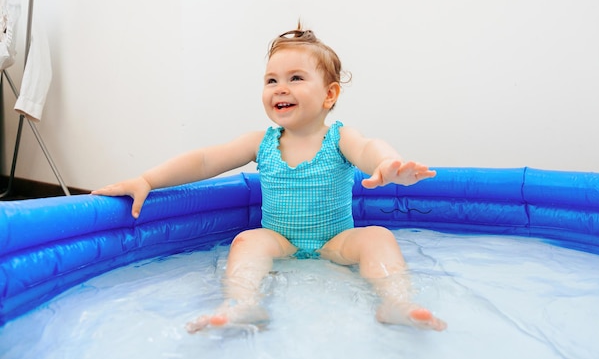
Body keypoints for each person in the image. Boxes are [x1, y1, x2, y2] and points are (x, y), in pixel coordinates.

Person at [92, 25, 447, 333]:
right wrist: (147, 179)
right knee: (248, 241)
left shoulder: (339, 138)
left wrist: (387, 162)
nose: (280, 88)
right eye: (271, 80)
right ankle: (244, 303)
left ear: (330, 94)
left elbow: (369, 148)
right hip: (281, 240)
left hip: (337, 240)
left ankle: (396, 301)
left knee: (377, 237)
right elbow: (203, 161)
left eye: (295, 78)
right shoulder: (260, 143)